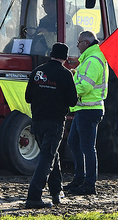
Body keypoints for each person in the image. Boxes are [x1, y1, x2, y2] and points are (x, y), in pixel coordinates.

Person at [24, 42, 78, 209]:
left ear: (51, 54)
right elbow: (72, 100)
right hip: (54, 122)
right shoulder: (65, 74)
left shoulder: (38, 71)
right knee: (46, 159)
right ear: (65, 58)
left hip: (37, 121)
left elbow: (27, 97)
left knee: (51, 156)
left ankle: (56, 192)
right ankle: (34, 196)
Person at [65, 30, 108, 196]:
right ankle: (80, 179)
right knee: (74, 143)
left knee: (87, 148)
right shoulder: (91, 59)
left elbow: (85, 86)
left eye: (79, 42)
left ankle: (89, 184)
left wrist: (67, 91)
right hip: (84, 109)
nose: (77, 45)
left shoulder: (92, 60)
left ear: (87, 43)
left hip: (89, 110)